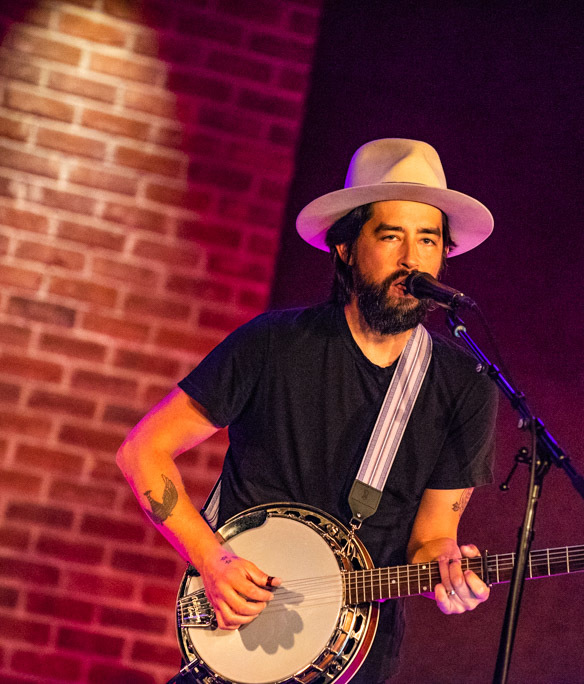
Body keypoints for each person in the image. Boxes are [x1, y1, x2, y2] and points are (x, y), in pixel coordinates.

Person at [116, 138, 499, 683]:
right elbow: (142, 451)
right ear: (345, 247)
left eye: (428, 240)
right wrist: (213, 559)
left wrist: (448, 571)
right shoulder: (272, 343)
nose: (411, 259)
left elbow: (430, 539)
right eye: (390, 236)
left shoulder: (466, 384)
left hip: (356, 662)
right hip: (238, 642)